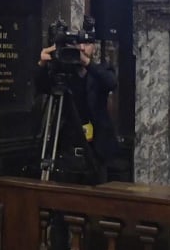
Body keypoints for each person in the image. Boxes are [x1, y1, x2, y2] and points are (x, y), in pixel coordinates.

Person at [34, 33, 118, 184]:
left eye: (87, 44)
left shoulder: (101, 70)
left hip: (96, 151)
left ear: (94, 47)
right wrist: (42, 63)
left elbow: (111, 82)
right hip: (67, 150)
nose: (82, 48)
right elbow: (41, 87)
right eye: (78, 45)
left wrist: (86, 62)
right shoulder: (65, 75)